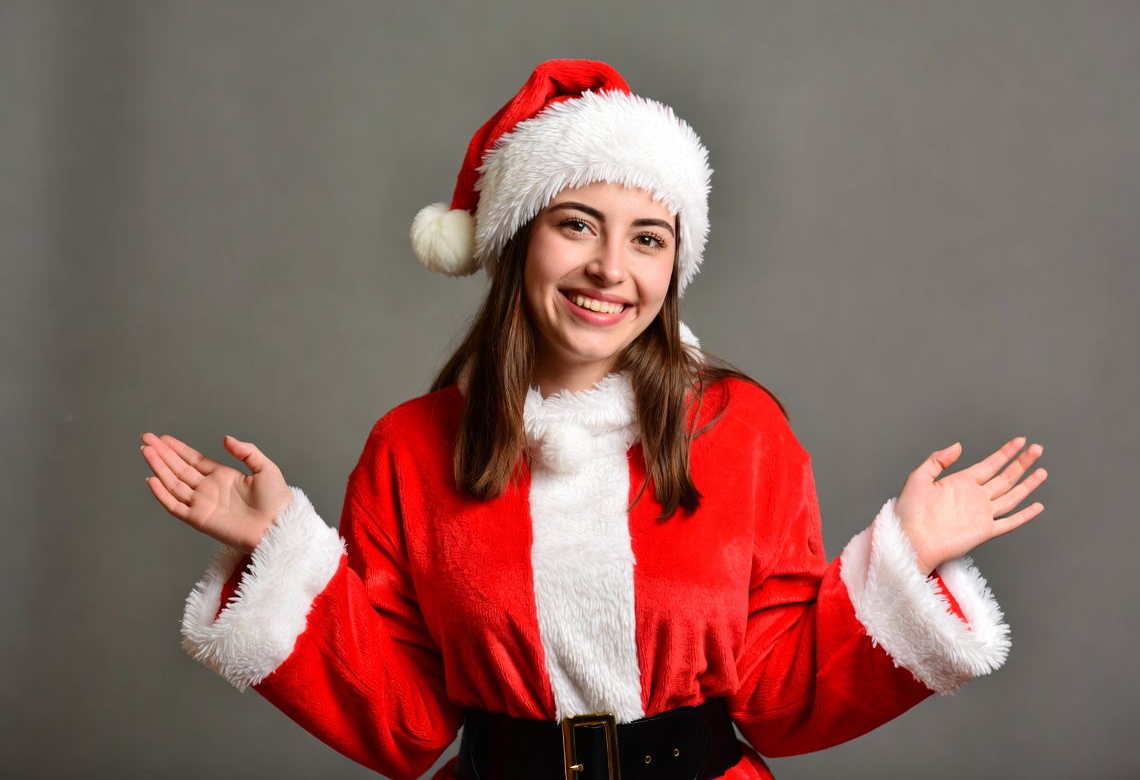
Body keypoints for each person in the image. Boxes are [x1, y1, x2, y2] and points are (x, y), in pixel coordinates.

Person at [141, 59, 1047, 780]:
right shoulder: (410, 449)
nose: (611, 268)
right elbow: (407, 724)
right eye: (577, 224)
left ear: (673, 265)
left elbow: (775, 693)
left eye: (648, 238)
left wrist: (909, 558)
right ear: (517, 238)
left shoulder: (743, 431)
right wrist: (276, 548)